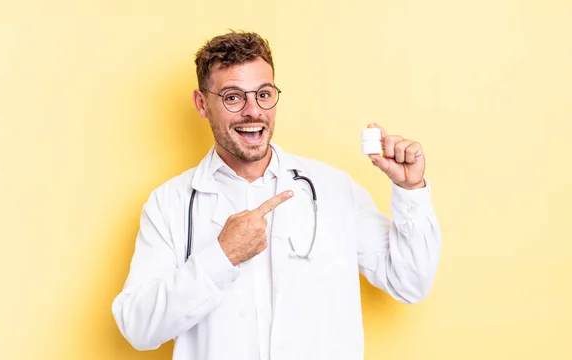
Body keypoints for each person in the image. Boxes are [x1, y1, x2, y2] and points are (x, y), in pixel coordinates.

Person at [112, 31, 441, 360]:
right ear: (202, 104)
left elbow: (409, 283)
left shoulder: (333, 189)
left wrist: (410, 190)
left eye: (264, 94)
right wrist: (221, 257)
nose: (253, 112)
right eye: (232, 97)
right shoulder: (169, 204)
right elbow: (138, 327)